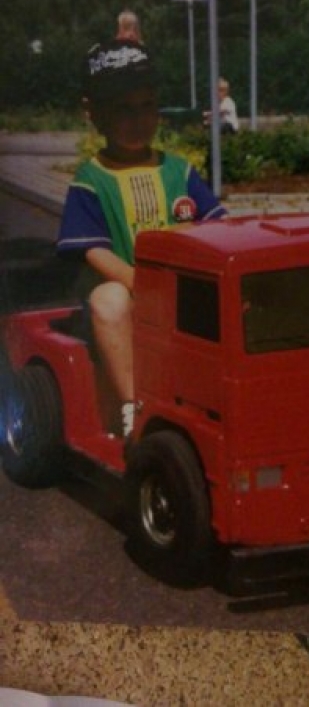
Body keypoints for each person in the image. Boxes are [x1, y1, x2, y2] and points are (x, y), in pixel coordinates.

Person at [57, 38, 226, 438]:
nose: (139, 119)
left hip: (179, 296)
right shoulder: (91, 181)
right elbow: (94, 250)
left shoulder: (179, 172)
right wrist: (142, 284)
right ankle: (135, 406)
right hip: (128, 296)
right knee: (109, 298)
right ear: (95, 114)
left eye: (148, 106)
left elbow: (218, 227)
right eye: (124, 109)